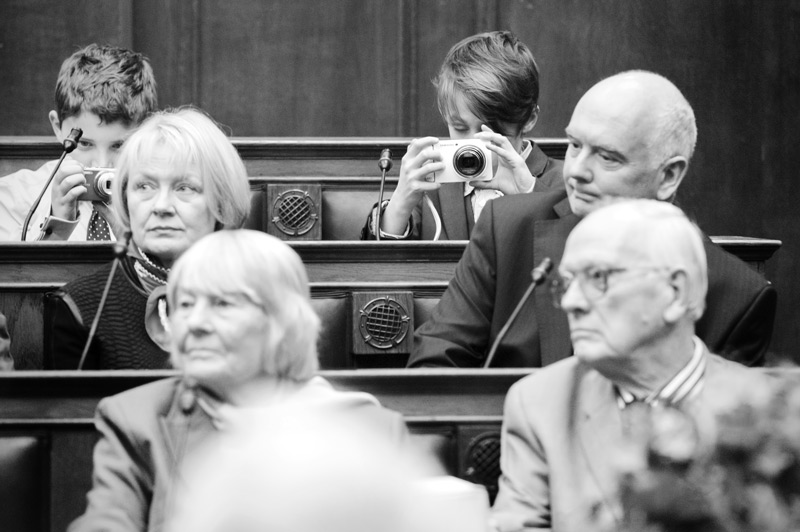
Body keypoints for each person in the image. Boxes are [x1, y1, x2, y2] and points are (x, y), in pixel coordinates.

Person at [408, 70, 776, 368]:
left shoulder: (737, 296)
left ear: (668, 177)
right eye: (574, 146)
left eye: (607, 157)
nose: (577, 171)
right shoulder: (507, 227)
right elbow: (434, 364)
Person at [68, 229, 410, 532]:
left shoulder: (370, 431)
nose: (195, 323)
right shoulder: (136, 419)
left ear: (282, 322)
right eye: (184, 304)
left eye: (221, 304)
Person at [490, 199, 772, 532]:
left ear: (675, 292)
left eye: (598, 277)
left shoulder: (764, 410)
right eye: (566, 282)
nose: (570, 302)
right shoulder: (540, 402)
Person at [44, 107, 251, 369]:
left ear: (221, 201)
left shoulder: (260, 295)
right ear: (125, 196)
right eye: (145, 186)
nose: (161, 206)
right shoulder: (78, 307)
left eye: (185, 187)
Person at [360, 30, 563, 241]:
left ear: (529, 118)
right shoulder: (432, 184)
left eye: (492, 130)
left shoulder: (567, 183)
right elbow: (378, 269)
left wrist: (530, 195)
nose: (474, 142)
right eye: (459, 127)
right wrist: (401, 202)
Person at [0, 43, 158, 241]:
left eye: (119, 146)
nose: (100, 164)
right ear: (58, 127)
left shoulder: (160, 200)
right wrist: (57, 226)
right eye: (84, 143)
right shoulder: (12, 197)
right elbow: (15, 271)